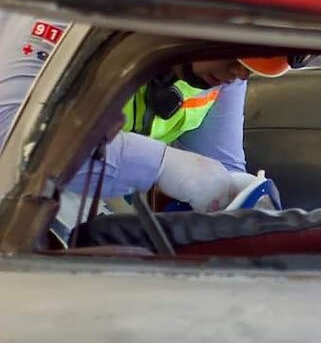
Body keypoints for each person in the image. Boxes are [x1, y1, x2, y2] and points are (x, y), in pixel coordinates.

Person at [0, 11, 288, 213]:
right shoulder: (68, 16)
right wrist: (159, 165)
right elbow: (14, 137)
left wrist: (239, 198)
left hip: (75, 197)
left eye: (250, 67)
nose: (240, 74)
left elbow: (218, 176)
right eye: (237, 57)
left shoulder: (220, 69)